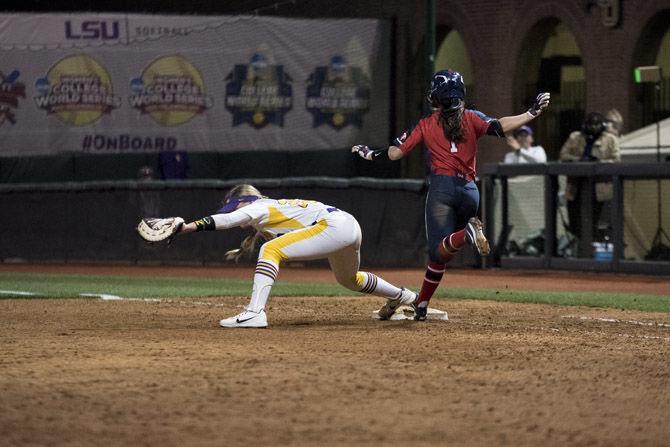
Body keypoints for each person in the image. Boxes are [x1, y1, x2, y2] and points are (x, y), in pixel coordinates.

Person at [352, 69, 550, 320]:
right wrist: (531, 112)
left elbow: (395, 153)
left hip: (442, 191)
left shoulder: (426, 124)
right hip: (470, 191)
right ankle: (421, 304)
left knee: (437, 251)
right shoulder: (472, 117)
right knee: (443, 252)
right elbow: (500, 127)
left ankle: (466, 235)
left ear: (437, 98)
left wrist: (369, 153)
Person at [172, 184, 417, 328]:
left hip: (334, 226)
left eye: (232, 205)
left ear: (243, 200)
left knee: (269, 250)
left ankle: (255, 313)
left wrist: (187, 227)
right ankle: (404, 296)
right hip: (348, 225)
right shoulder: (269, 214)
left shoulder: (258, 205)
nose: (233, 212)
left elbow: (226, 220)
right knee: (349, 280)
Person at [559, 111, 621, 243]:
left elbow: (616, 160)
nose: (593, 128)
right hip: (576, 186)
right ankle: (578, 250)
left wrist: (598, 162)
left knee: (597, 223)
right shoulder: (575, 137)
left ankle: (594, 251)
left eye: (596, 125)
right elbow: (563, 156)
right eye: (590, 125)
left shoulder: (609, 139)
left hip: (599, 189)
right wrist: (580, 160)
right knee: (575, 222)